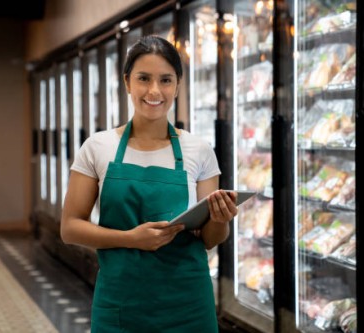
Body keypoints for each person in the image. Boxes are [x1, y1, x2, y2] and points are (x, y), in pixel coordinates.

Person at [60, 35, 238, 333]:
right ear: (128, 82)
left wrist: (221, 219)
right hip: (120, 304)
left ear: (178, 86)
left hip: (188, 305)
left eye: (166, 80)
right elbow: (69, 228)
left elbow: (209, 238)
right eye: (144, 79)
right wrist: (132, 239)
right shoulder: (98, 147)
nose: (155, 91)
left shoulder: (199, 150)